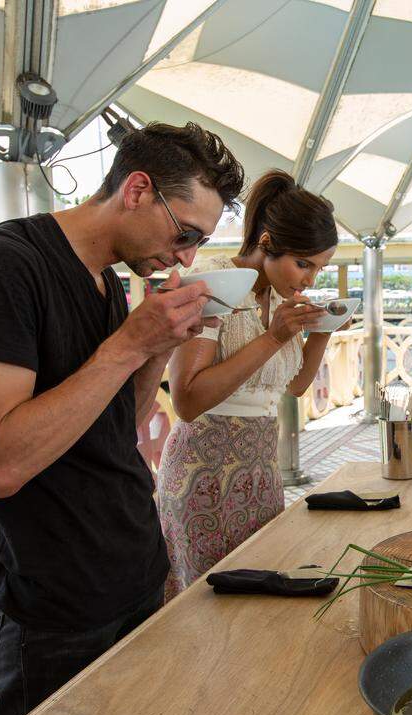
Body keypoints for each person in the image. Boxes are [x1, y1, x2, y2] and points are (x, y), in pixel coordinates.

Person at [0, 121, 244, 715]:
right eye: (184, 234)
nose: (185, 256)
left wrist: (158, 347)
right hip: (51, 608)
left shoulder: (106, 281)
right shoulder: (0, 265)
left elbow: (117, 428)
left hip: (131, 575)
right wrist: (129, 343)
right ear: (135, 190)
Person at [157, 169, 339, 599]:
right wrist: (273, 337)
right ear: (267, 242)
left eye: (319, 268)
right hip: (203, 474)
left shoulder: (279, 298)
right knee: (206, 608)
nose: (309, 279)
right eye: (304, 263)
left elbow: (294, 387)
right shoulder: (213, 281)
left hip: (260, 475)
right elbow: (186, 399)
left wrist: (325, 329)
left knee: (257, 600)